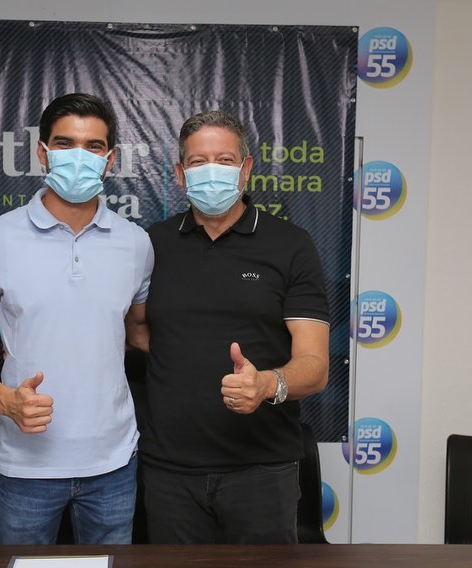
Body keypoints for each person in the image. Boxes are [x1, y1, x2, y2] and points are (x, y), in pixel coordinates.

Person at [0, 93, 154, 545]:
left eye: (94, 146)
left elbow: (140, 335)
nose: (80, 156)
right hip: (27, 465)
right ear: (42, 152)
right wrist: (5, 400)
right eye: (65, 143)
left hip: (114, 463)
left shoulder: (136, 245)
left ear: (110, 159)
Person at [133, 110, 330, 544]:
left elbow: (314, 365)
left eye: (224, 160)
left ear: (245, 169)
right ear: (180, 174)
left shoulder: (290, 245)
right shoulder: (150, 244)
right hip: (170, 475)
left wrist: (266, 384)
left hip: (261, 471)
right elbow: (136, 332)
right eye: (198, 162)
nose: (211, 171)